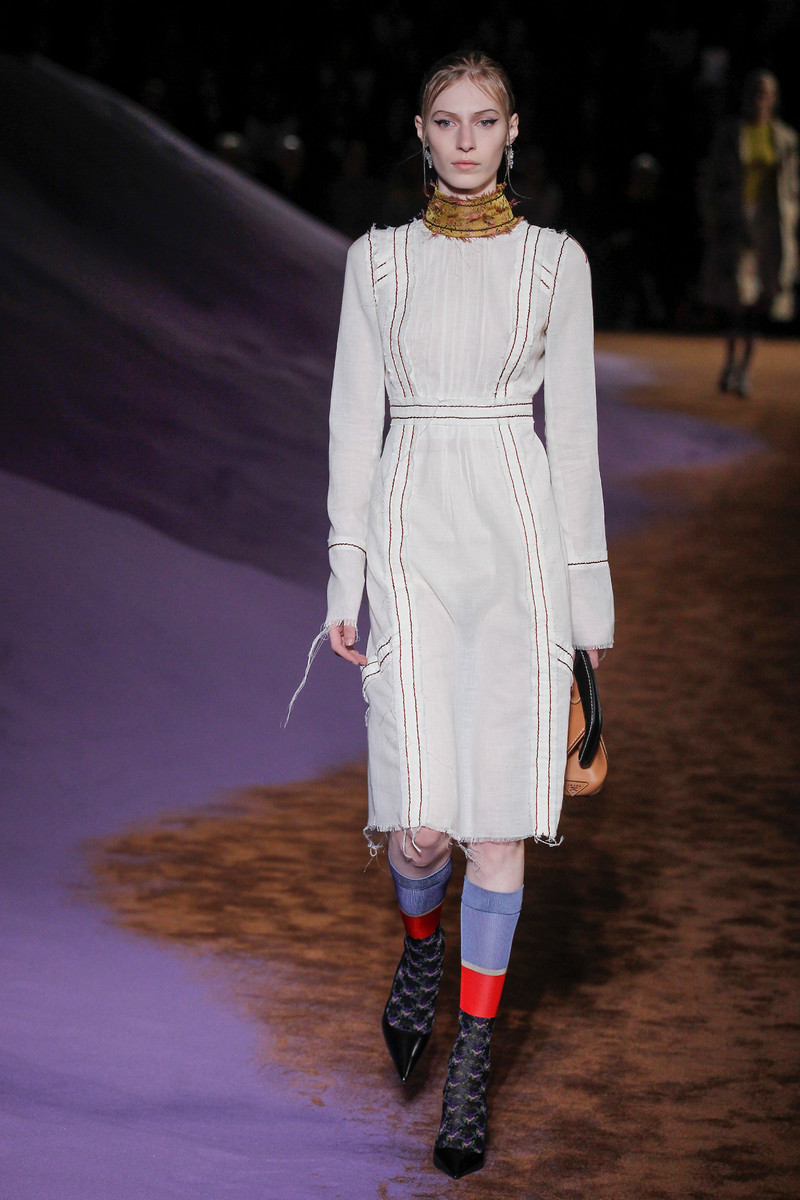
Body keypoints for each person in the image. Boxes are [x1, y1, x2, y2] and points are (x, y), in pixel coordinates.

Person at [323, 51, 614, 1178]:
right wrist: (343, 573)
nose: (462, 141)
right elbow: (352, 420)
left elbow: (573, 437)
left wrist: (586, 606)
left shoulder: (555, 265)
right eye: (444, 122)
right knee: (419, 827)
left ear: (511, 131)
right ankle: (418, 942)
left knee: (495, 826)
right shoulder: (376, 264)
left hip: (517, 539)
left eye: (481, 121)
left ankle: (472, 1062)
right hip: (409, 534)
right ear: (418, 131)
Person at [699, 69, 799, 397]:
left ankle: (745, 369)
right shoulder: (732, 133)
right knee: (736, 298)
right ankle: (729, 363)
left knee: (762, 299)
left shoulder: (784, 138)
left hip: (770, 227)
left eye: (766, 93)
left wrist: (789, 224)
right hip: (736, 221)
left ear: (774, 99)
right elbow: (712, 179)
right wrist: (715, 216)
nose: (760, 99)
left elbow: (791, 187)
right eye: (756, 92)